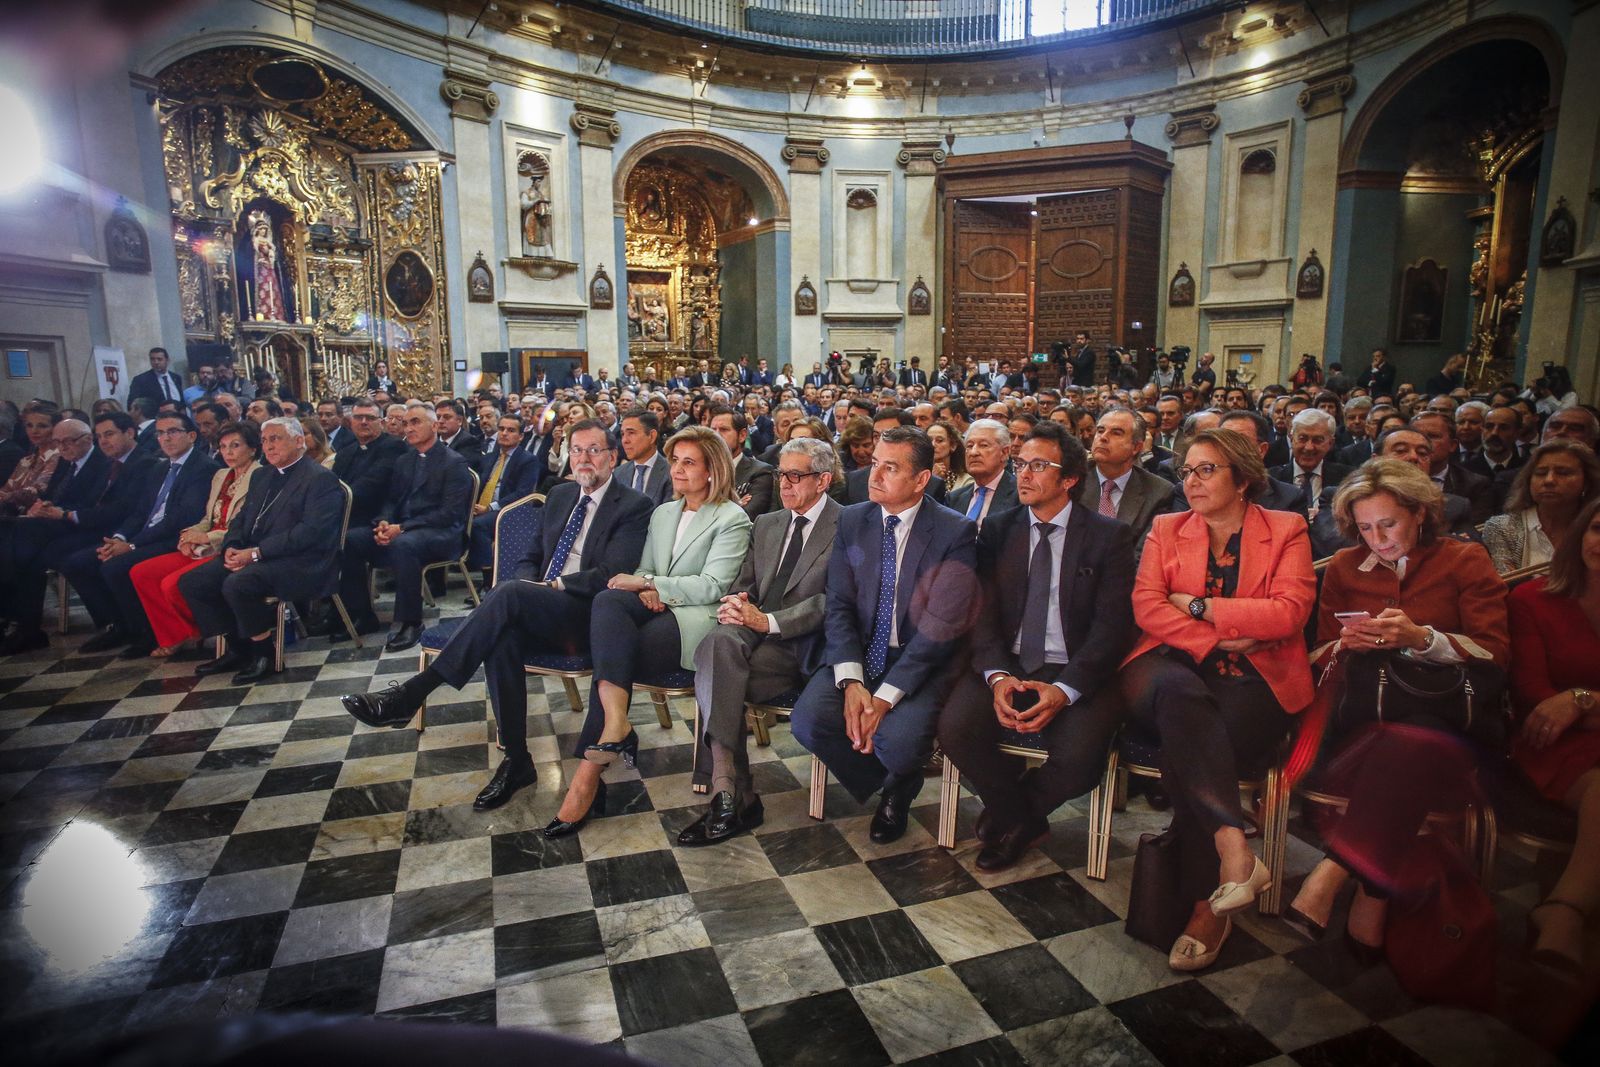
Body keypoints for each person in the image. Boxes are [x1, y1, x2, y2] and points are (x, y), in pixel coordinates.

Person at [341, 420, 653, 812]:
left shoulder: (634, 506)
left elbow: (611, 574)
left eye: (593, 450)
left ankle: (413, 693)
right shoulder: (558, 495)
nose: (584, 459)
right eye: (576, 450)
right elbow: (531, 558)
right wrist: (527, 586)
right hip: (539, 605)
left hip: (589, 613)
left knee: (506, 599)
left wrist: (546, 588)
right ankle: (517, 760)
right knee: (502, 633)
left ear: (612, 457)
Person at [1288, 460, 1508, 962]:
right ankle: (1371, 895)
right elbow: (1319, 654)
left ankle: (1333, 873)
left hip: (1450, 718)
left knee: (1415, 740)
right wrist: (1346, 644)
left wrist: (1423, 639)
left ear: (1419, 514)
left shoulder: (1464, 560)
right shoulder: (1346, 566)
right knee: (1403, 744)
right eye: (1365, 527)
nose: (1377, 538)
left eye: (1387, 524)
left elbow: (1495, 653)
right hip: (1365, 716)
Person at [1118, 428, 1316, 971]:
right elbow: (1147, 606)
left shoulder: (1286, 529)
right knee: (1181, 697)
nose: (1191, 481)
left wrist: (1200, 608)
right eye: (1186, 471)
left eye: (1207, 469)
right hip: (1169, 664)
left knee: (1197, 745)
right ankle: (1234, 853)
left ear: (1244, 477)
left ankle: (1214, 901)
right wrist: (1215, 637)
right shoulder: (1167, 527)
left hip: (1256, 678)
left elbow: (1288, 612)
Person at [938, 423, 1136, 870]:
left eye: (1038, 466)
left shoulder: (1108, 537)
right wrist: (998, 675)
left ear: (1069, 479)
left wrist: (1065, 690)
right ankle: (1021, 819)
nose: (1023, 475)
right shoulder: (997, 530)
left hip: (1076, 668)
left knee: (1082, 758)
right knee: (955, 730)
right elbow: (981, 614)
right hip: (1009, 660)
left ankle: (1013, 816)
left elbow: (1112, 628)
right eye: (1020, 464)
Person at [547, 426, 752, 837]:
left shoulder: (732, 518)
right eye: (674, 461)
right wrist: (646, 585)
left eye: (688, 462)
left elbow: (713, 585)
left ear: (713, 469)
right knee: (607, 603)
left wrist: (654, 587)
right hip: (654, 609)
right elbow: (643, 568)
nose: (676, 469)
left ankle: (589, 774)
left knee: (613, 654)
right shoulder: (663, 513)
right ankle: (614, 730)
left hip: (696, 620)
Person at [791, 426, 979, 843]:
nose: (874, 475)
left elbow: (939, 630)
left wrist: (882, 699)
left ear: (920, 480)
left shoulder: (954, 532)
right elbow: (838, 605)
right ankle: (894, 782)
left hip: (919, 663)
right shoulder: (854, 519)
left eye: (889, 468)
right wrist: (853, 681)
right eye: (875, 463)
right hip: (860, 654)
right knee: (810, 722)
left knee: (898, 740)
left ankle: (898, 780)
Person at [680, 437, 842, 844]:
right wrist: (736, 603)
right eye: (780, 474)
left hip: (800, 643)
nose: (784, 484)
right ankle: (729, 789)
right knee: (718, 645)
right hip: (748, 633)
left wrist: (767, 620)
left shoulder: (849, 524)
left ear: (822, 480)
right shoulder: (768, 524)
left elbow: (837, 602)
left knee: (716, 675)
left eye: (795, 475)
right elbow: (745, 584)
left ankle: (735, 794)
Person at [177, 417, 345, 685]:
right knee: (193, 582)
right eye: (265, 440)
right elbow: (241, 519)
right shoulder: (262, 475)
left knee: (238, 583)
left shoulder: (319, 479)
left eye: (276, 439)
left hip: (302, 561)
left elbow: (310, 533)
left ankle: (264, 655)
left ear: (299, 441)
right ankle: (237, 648)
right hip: (254, 554)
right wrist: (232, 546)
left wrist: (256, 553)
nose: (268, 446)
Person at [1507, 496, 1600, 976]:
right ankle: (1564, 909)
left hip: (1576, 722)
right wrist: (1564, 706)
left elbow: (1564, 700)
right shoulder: (1534, 599)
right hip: (1553, 742)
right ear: (1582, 534)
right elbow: (1535, 696)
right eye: (1598, 529)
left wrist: (1582, 700)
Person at [63, 413, 219, 657]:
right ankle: (119, 625)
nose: (165, 438)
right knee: (83, 561)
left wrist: (133, 546)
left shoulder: (203, 468)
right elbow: (139, 512)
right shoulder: (159, 467)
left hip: (174, 538)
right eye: (160, 433)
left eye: (172, 432)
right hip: (146, 535)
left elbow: (180, 519)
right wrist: (120, 538)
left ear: (191, 435)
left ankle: (146, 633)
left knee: (116, 567)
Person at [0, 413, 157, 654]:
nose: (104, 441)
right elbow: (83, 500)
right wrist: (46, 507)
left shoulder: (141, 462)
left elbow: (123, 509)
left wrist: (65, 515)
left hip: (114, 529)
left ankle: (117, 625)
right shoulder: (109, 462)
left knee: (36, 547)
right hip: (88, 523)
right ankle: (26, 625)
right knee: (24, 547)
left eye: (109, 434)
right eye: (100, 436)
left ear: (129, 433)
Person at [337, 404, 474, 652]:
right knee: (352, 540)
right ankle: (362, 614)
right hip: (405, 529)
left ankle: (411, 621)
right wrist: (384, 522)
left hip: (441, 533)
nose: (408, 428)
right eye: (407, 423)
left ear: (434, 426)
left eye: (415, 422)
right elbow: (391, 500)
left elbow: (450, 513)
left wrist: (402, 528)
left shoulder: (453, 462)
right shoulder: (404, 460)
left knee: (404, 544)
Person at [127, 421, 262, 656]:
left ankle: (200, 632)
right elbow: (207, 516)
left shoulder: (260, 476)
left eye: (235, 446)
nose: (228, 452)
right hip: (205, 542)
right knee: (142, 572)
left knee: (172, 584)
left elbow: (246, 525)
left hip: (229, 546)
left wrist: (206, 537)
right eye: (223, 446)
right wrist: (189, 534)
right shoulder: (221, 475)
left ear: (252, 449)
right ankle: (175, 634)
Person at [1482, 441, 1600, 575]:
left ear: (1587, 481)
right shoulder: (1502, 527)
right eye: (1541, 473)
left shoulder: (1596, 526)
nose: (1549, 480)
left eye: (1563, 473)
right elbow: (1510, 585)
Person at [1079, 407, 1175, 550]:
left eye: (1116, 433)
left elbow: (1144, 555)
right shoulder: (1072, 480)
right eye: (1100, 430)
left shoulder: (1159, 492)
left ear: (1136, 447)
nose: (1103, 437)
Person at [469, 413, 543, 585]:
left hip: (510, 510)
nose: (504, 433)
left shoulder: (528, 460)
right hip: (482, 507)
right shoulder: (489, 457)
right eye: (501, 429)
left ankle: (489, 580)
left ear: (521, 436)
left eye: (510, 430)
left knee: (477, 526)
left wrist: (490, 508)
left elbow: (523, 494)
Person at [1269, 408, 1352, 519]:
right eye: (1302, 439)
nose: (1309, 447)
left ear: (1330, 443)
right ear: (1292, 439)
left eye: (1318, 440)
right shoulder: (1270, 480)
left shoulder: (1348, 479)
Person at [947, 419, 1017, 528]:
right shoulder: (954, 498)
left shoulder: (1019, 495)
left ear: (1004, 452)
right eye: (969, 446)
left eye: (983, 445)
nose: (973, 452)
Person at [709, 405, 776, 517]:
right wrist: (735, 504)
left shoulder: (760, 471)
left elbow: (745, 516)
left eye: (724, 430)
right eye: (713, 430)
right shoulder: (700, 469)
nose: (716, 435)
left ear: (742, 435)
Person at [0, 402, 61, 514]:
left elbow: (36, 490)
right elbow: (6, 489)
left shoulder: (59, 456)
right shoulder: (26, 461)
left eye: (42, 426)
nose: (34, 431)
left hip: (42, 517)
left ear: (56, 428)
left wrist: (7, 496)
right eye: (29, 425)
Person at [615, 408, 671, 504]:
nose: (624, 440)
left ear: (652, 436)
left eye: (631, 433)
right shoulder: (619, 473)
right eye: (623, 434)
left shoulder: (671, 473)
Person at [928, 421, 972, 497]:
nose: (933, 445)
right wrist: (932, 481)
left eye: (939, 440)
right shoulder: (916, 476)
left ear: (953, 446)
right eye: (929, 440)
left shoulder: (966, 481)